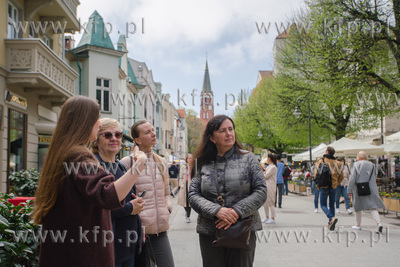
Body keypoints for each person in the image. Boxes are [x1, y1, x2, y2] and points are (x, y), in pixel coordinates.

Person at [32, 96, 147, 267]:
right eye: (97, 118)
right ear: (85, 121)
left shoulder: (63, 152)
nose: (99, 123)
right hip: (82, 255)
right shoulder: (78, 155)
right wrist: (139, 164)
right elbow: (108, 195)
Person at [188, 115, 267, 267]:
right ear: (212, 138)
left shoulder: (249, 159)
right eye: (222, 130)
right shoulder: (202, 162)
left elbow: (261, 191)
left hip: (242, 228)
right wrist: (217, 211)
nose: (229, 133)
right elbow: (193, 194)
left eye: (231, 129)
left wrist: (236, 211)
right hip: (210, 230)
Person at [120, 120, 175, 267]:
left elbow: (166, 193)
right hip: (138, 232)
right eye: (147, 132)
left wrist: (167, 208)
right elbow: (121, 197)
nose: (153, 133)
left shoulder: (161, 162)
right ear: (137, 140)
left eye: (152, 130)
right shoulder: (127, 163)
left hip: (160, 231)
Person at [92, 118, 144, 266]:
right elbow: (96, 211)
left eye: (118, 135)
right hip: (109, 250)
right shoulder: (94, 167)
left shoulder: (120, 166)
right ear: (96, 140)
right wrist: (130, 208)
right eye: (107, 135)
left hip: (129, 247)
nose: (114, 139)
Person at [348, 151, 386, 233]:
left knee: (358, 206)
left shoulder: (356, 164)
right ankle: (378, 223)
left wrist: (349, 190)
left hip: (358, 188)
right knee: (372, 207)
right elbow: (374, 176)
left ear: (359, 157)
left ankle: (358, 225)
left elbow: (352, 178)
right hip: (370, 188)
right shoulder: (372, 165)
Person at [314, 146, 343, 231]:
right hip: (333, 186)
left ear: (327, 152)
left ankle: (331, 218)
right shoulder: (337, 163)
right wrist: (336, 183)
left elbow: (316, 174)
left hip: (323, 186)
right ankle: (331, 222)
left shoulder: (321, 161)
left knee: (323, 204)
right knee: (332, 204)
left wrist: (317, 184)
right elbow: (341, 176)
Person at [177, 154, 193, 223]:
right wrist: (181, 184)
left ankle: (188, 216)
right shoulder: (183, 167)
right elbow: (180, 176)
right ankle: (186, 211)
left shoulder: (194, 167)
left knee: (189, 202)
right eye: (189, 158)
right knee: (184, 202)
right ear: (186, 159)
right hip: (184, 186)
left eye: (191, 158)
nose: (190, 159)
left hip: (191, 186)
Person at [262, 153, 277, 224]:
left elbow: (266, 176)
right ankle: (267, 217)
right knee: (265, 202)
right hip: (266, 185)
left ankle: (273, 218)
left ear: (269, 159)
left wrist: (262, 172)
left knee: (271, 202)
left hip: (270, 186)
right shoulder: (269, 166)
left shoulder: (273, 167)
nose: (267, 159)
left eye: (267, 158)